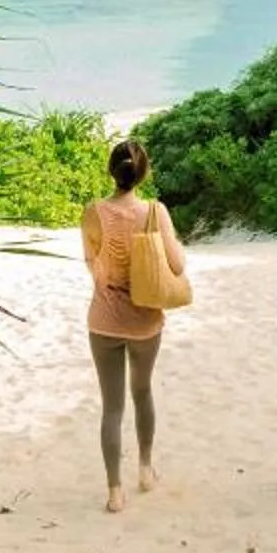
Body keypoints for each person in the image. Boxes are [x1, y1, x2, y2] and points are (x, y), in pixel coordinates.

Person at [82, 136, 183, 514]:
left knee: (112, 407)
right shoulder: (155, 211)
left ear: (112, 170)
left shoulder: (93, 211)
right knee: (142, 392)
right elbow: (177, 266)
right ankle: (144, 469)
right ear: (143, 173)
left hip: (104, 320)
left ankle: (114, 491)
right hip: (145, 321)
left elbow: (92, 264)